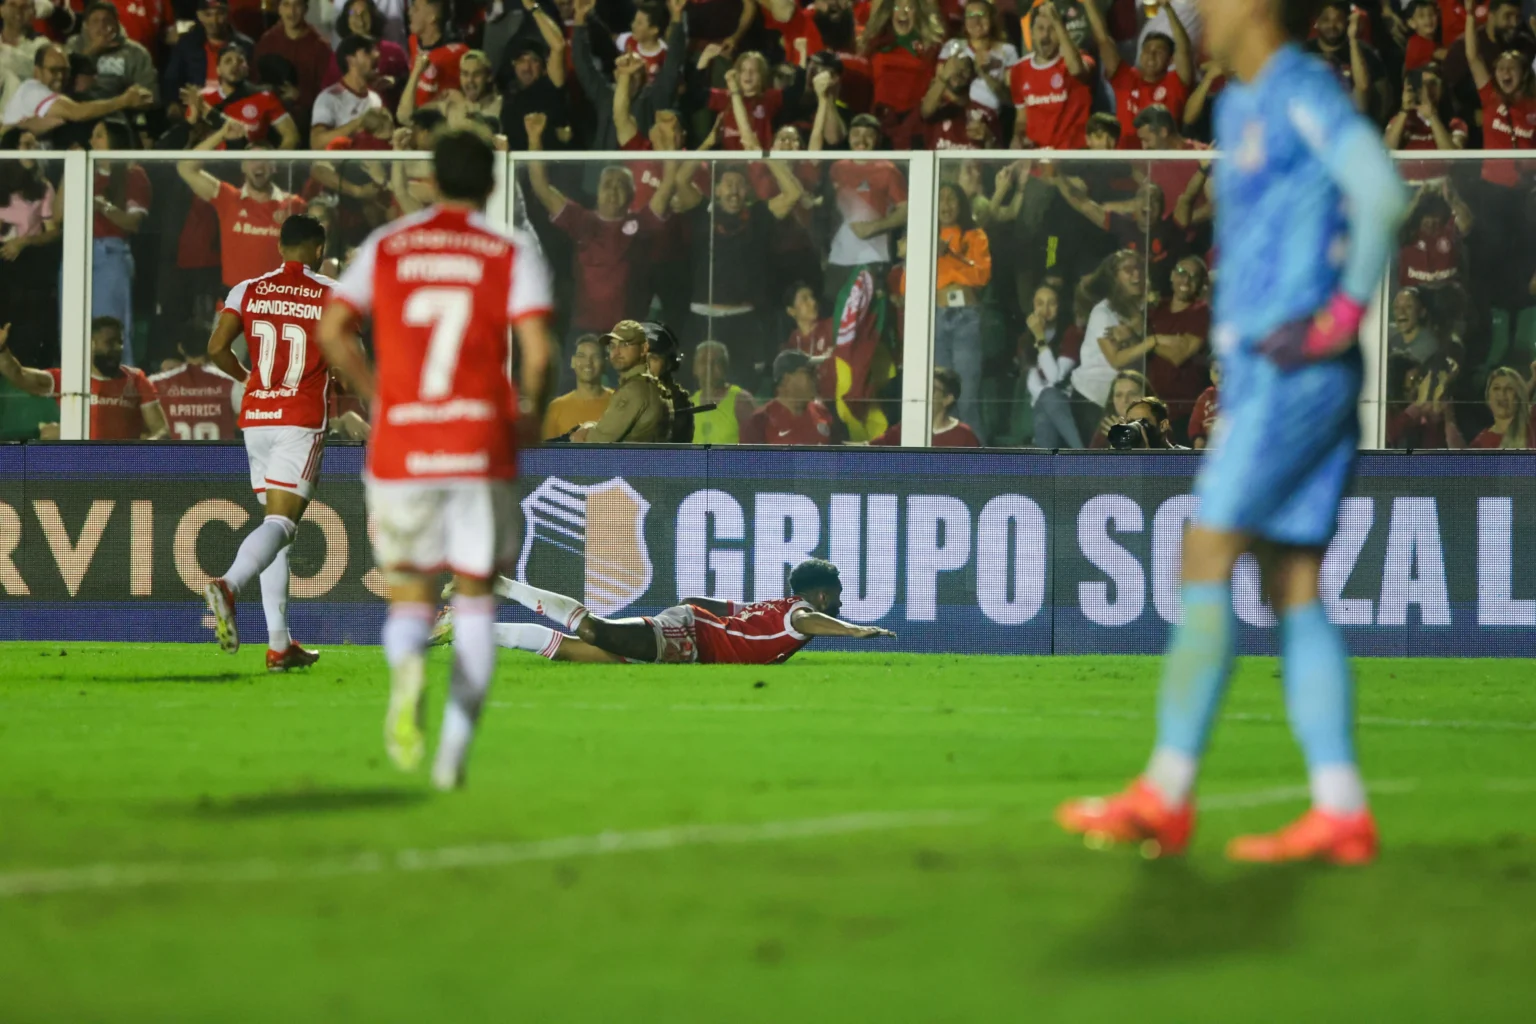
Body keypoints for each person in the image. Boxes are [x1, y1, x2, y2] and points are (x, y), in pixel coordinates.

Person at [1058, 0, 1408, 864]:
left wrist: (1340, 316)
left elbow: (1382, 192)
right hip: (1269, 372)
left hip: (1292, 371)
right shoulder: (1240, 102)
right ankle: (1339, 807)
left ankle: (1166, 793)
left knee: (1205, 553)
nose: (1199, 12)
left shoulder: (1295, 88)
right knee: (1290, 580)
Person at [316, 129, 554, 791]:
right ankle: (452, 753)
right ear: (489, 184)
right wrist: (530, 410)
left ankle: (407, 673)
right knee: (476, 601)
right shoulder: (508, 251)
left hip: (403, 444)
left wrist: (376, 394)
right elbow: (537, 351)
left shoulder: (386, 246)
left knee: (411, 597)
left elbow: (333, 329)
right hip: (478, 445)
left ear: (428, 181)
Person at [201, 215, 335, 672]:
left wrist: (249, 379)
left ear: (280, 246)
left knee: (274, 528)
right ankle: (229, 585)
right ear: (318, 249)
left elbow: (217, 347)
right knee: (283, 524)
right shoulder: (331, 294)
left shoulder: (246, 288)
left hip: (256, 417)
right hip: (300, 419)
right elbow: (346, 354)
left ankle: (280, 645)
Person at [448, 558, 894, 665]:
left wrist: (690, 605)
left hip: (692, 637)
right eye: (835, 594)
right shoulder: (800, 615)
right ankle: (501, 584)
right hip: (691, 636)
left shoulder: (775, 607)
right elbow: (809, 622)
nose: (839, 599)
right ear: (820, 595)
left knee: (578, 653)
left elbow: (721, 605)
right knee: (597, 632)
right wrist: (854, 632)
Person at [177, 124, 309, 289]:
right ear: (243, 166)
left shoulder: (294, 205)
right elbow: (185, 167)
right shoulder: (227, 198)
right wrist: (222, 133)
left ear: (274, 167)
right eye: (252, 160)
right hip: (234, 303)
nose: (258, 165)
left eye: (265, 160)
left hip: (275, 303)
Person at [0, 316, 169, 439]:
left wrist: (142, 453)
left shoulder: (136, 379)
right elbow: (18, 375)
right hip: (82, 470)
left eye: (120, 342)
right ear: (90, 344)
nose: (118, 348)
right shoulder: (69, 378)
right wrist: (2, 350)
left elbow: (162, 430)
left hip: (122, 472)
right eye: (110, 342)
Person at [1084, 0, 1193, 148]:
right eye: (1147, 50)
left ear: (1171, 59)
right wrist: (1088, 4)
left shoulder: (1175, 83)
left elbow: (1184, 49)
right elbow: (1103, 39)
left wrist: (1168, 9)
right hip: (1127, 162)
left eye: (1159, 52)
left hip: (1163, 163)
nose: (1151, 55)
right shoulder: (1126, 77)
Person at [932, 180, 991, 438]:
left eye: (951, 198)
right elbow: (906, 284)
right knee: (941, 398)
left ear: (961, 203)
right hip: (936, 317)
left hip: (966, 318)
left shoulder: (975, 235)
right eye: (941, 198)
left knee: (966, 396)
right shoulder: (925, 239)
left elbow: (981, 275)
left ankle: (978, 459)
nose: (946, 204)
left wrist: (951, 257)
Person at [88, 120, 149, 362]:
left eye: (99, 136)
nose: (92, 141)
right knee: (73, 328)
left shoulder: (133, 174)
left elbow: (132, 222)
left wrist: (102, 205)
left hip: (111, 254)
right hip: (76, 255)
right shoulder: (84, 171)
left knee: (110, 328)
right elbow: (60, 217)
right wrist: (68, 172)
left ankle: (121, 390)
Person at [2, 42, 151, 136]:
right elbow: (76, 112)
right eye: (54, 70)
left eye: (65, 70)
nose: (60, 76)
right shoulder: (32, 90)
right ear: (37, 72)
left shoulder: (56, 97)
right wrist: (123, 101)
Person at [1144, 255, 1213, 442]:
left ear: (1200, 283)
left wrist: (1149, 342)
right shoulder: (1157, 307)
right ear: (1172, 276)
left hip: (1184, 410)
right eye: (1182, 273)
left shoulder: (1201, 311)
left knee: (1178, 468)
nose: (1186, 280)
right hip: (1152, 408)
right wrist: (1154, 341)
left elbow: (1179, 356)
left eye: (1193, 276)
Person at [570, 319, 672, 443]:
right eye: (612, 346)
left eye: (625, 345)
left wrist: (580, 436)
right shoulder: (648, 385)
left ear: (644, 348)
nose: (616, 352)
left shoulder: (634, 389)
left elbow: (597, 441)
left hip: (630, 461)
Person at [1008, 2, 1091, 150]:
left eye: (1052, 29)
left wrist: (1058, 21)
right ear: (1031, 32)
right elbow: (1021, 119)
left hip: (1070, 160)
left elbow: (1077, 70)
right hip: (1036, 162)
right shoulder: (1018, 70)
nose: (1045, 36)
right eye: (1040, 29)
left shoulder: (1079, 60)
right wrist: (1018, 137)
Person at [191, 42, 301, 149]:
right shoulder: (203, 99)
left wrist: (274, 164)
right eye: (228, 61)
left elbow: (291, 136)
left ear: (247, 69)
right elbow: (189, 139)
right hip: (211, 166)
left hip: (250, 166)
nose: (235, 64)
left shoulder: (265, 98)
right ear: (218, 70)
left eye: (240, 61)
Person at [254, 0, 333, 136]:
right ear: (278, 9)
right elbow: (254, 81)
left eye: (297, 5)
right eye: (286, 5)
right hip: (269, 124)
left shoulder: (321, 47)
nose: (291, 12)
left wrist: (300, 96)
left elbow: (329, 92)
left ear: (306, 9)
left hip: (307, 125)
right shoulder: (267, 42)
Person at [65, 2, 158, 108]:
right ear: (86, 26)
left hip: (124, 111)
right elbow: (64, 81)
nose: (102, 25)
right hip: (82, 108)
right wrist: (92, 51)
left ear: (116, 24)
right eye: (95, 21)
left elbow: (149, 93)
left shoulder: (136, 52)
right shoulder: (74, 45)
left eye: (107, 20)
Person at [742, 349, 842, 444]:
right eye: (809, 372)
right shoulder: (760, 421)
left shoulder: (822, 412)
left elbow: (840, 457)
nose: (817, 377)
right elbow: (748, 461)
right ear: (786, 380)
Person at [869, 366, 981, 446]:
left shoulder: (964, 435)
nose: (924, 394)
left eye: (931, 390)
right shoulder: (905, 429)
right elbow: (868, 450)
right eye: (922, 389)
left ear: (947, 399)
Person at [311, 34, 385, 148]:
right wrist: (358, 123)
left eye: (376, 50)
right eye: (367, 51)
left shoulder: (375, 99)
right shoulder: (329, 98)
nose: (377, 54)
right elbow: (316, 143)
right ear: (351, 60)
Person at [542, 335, 613, 439]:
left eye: (595, 356)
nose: (588, 362)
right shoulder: (556, 408)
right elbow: (546, 453)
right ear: (573, 362)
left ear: (604, 363)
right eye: (581, 356)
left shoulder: (619, 403)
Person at [689, 340, 755, 443]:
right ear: (694, 368)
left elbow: (756, 448)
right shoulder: (689, 405)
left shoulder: (741, 401)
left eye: (715, 362)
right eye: (703, 362)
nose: (709, 368)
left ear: (725, 367)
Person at [642, 320, 693, 443]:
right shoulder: (618, 396)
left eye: (653, 358)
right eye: (640, 357)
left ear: (669, 364)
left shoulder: (679, 404)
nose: (645, 365)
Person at [1461, 366, 1535, 448]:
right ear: (1488, 397)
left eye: (1509, 388)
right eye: (1496, 388)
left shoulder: (1532, 421)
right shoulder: (1480, 444)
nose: (1502, 394)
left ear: (1518, 396)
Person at [1087, 368, 1150, 448]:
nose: (1125, 400)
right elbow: (1093, 459)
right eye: (1119, 395)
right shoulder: (1105, 429)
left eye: (1132, 394)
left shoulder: (1160, 427)